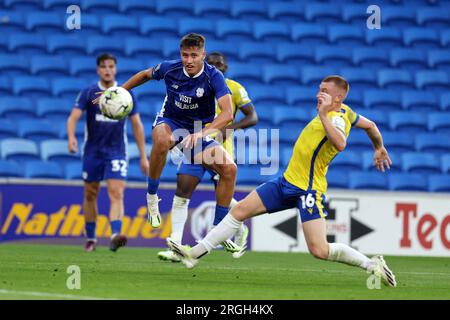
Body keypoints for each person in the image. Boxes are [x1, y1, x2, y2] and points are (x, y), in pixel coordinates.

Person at [166, 75, 398, 288]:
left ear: (338, 98)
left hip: (308, 190)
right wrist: (379, 147)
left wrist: (324, 115)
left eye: (325, 91)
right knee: (239, 211)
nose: (319, 95)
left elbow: (340, 143)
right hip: (286, 182)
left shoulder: (337, 118)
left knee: (319, 249)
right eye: (319, 90)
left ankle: (371, 265)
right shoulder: (347, 112)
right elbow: (371, 126)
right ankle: (193, 254)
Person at [120, 34, 239, 247]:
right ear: (180, 54)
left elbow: (228, 113)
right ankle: (151, 198)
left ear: (203, 55)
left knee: (229, 170)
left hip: (197, 130)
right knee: (162, 140)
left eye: (194, 55)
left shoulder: (214, 76)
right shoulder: (170, 68)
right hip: (171, 121)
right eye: (185, 55)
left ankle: (218, 229)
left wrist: (202, 133)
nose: (189, 60)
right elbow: (145, 75)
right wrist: (120, 91)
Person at [157, 52, 258, 262]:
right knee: (182, 190)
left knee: (223, 196)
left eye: (219, 64)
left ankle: (238, 225)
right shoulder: (192, 84)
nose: (215, 67)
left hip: (219, 149)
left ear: (225, 68)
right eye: (211, 64)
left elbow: (252, 116)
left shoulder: (233, 88)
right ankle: (175, 245)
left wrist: (228, 128)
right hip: (193, 145)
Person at [67, 53, 149, 252]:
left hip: (116, 152)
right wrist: (71, 137)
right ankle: (91, 238)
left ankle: (115, 235)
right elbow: (73, 118)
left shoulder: (125, 94)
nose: (107, 70)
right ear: (98, 70)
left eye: (111, 66)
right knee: (90, 194)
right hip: (92, 152)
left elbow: (137, 125)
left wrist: (144, 156)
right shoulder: (89, 92)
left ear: (115, 69)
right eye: (104, 66)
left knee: (116, 192)